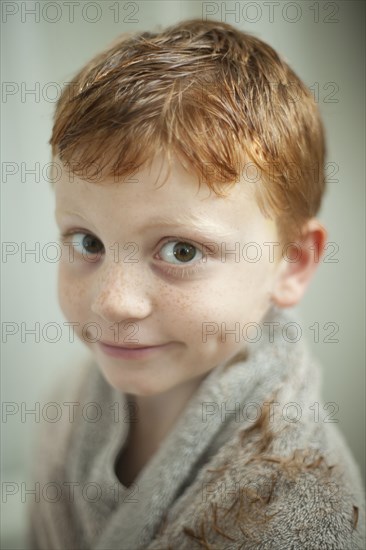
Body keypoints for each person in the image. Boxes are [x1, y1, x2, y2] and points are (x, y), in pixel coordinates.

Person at [27, 18, 365, 549]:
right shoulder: (72, 401)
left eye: (181, 251)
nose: (113, 303)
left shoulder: (301, 506)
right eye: (88, 242)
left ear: (292, 262)